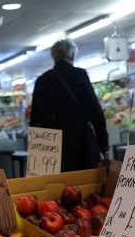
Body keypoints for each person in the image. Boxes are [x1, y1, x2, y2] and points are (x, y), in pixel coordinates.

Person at [30, 39, 109, 172]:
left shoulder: (42, 81)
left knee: (53, 188)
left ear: (54, 57)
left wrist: (38, 156)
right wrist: (103, 143)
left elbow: (34, 120)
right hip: (79, 146)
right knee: (82, 188)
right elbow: (95, 112)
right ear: (72, 56)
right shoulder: (79, 75)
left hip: (50, 149)